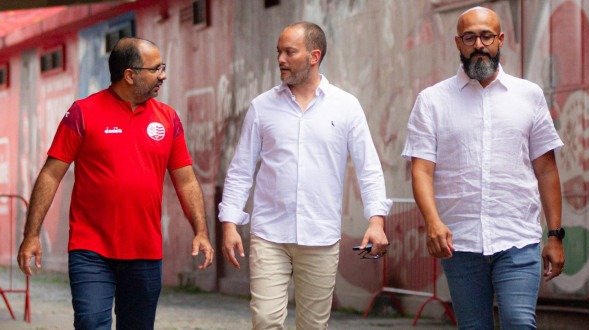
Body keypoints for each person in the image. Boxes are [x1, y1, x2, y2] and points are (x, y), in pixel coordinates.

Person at [17, 37, 214, 329]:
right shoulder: (83, 113)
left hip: (145, 251)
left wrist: (200, 231)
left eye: (163, 67)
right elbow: (51, 173)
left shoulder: (169, 119)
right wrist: (31, 234)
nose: (163, 75)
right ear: (130, 74)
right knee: (90, 323)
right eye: (156, 68)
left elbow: (185, 180)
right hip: (91, 249)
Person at [218, 21, 392, 329]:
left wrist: (376, 221)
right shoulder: (262, 107)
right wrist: (230, 223)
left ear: (314, 56)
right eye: (279, 52)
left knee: (313, 325)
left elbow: (369, 168)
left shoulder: (346, 106)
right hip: (269, 234)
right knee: (265, 320)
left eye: (289, 52)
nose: (281, 60)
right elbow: (241, 169)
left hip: (320, 235)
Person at [402, 6, 565, 329]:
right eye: (470, 37)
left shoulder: (528, 95)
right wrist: (433, 223)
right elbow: (421, 170)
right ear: (457, 43)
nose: (479, 44)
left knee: (519, 321)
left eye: (486, 36)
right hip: (460, 242)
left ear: (500, 39)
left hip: (518, 237)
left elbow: (546, 169)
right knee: (474, 326)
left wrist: (556, 236)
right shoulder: (432, 100)